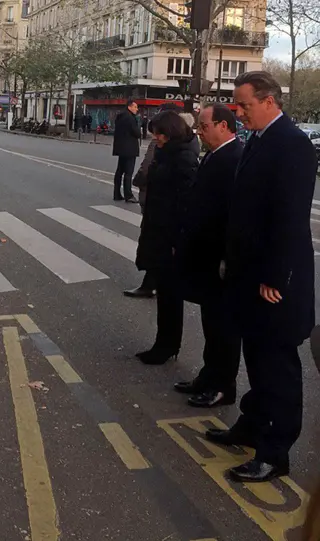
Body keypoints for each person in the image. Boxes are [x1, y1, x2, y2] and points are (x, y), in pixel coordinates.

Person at [205, 71, 317, 482]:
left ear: (269, 101)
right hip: (249, 276)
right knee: (256, 359)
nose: (238, 112)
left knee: (277, 367)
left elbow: (289, 217)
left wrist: (274, 275)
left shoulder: (293, 144)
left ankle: (275, 451)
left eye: (244, 105)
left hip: (275, 282)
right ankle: (251, 427)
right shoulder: (261, 140)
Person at [174, 103, 243, 408]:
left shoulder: (233, 158)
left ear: (224, 126)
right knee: (210, 322)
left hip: (218, 257)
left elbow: (232, 215)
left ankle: (222, 385)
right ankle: (208, 374)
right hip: (204, 253)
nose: (198, 132)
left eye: (203, 126)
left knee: (223, 327)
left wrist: (226, 257)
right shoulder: (216, 155)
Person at [134, 110, 199, 365]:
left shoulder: (182, 159)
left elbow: (184, 204)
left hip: (170, 236)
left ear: (170, 133)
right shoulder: (168, 154)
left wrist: (176, 241)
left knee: (170, 296)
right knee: (165, 293)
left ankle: (167, 346)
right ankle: (164, 343)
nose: (156, 139)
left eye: (159, 134)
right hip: (159, 231)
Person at [125, 103, 181, 299]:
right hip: (160, 205)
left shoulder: (164, 146)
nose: (155, 136)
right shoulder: (184, 141)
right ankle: (151, 281)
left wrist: (138, 181)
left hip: (156, 202)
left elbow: (147, 168)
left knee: (155, 242)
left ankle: (152, 283)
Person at [112, 99, 141, 203]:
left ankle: (116, 193)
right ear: (129, 107)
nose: (137, 109)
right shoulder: (130, 118)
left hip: (121, 148)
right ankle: (128, 195)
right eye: (135, 107)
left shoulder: (120, 117)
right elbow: (136, 133)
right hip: (130, 148)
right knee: (128, 173)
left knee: (120, 171)